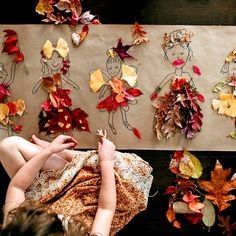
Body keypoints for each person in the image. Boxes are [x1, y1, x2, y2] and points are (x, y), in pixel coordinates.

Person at [0, 130, 153, 235]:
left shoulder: (16, 225)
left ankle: (66, 156)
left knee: (7, 146)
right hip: (93, 201)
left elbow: (17, 186)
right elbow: (106, 209)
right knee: (131, 174)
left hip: (49, 194)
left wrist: (49, 150)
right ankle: (70, 157)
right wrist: (106, 160)